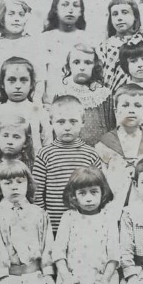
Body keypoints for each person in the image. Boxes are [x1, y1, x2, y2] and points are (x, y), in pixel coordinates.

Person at [32, 96, 102, 234]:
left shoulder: (90, 154)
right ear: (51, 123)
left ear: (83, 122)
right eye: (61, 122)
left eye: (73, 121)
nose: (67, 127)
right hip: (54, 225)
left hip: (84, 224)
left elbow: (99, 189)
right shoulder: (45, 154)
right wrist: (42, 219)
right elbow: (37, 191)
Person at [94, 84, 143, 214]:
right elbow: (99, 180)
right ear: (116, 110)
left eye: (137, 106)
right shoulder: (105, 144)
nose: (131, 110)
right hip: (111, 206)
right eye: (125, 105)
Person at [0, 0, 42, 114]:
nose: (16, 19)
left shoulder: (33, 46)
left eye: (21, 15)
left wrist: (34, 103)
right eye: (11, 14)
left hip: (28, 105)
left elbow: (39, 80)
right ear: (2, 18)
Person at [0, 57, 51, 152]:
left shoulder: (39, 112)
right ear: (2, 84)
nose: (18, 86)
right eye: (12, 80)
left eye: (23, 80)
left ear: (31, 84)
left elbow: (48, 146)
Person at [37, 0, 91, 103]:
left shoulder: (87, 39)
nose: (70, 10)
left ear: (81, 11)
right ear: (56, 9)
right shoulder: (45, 39)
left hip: (80, 101)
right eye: (65, 4)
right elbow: (40, 76)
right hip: (51, 101)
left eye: (75, 5)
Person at [55, 44, 114, 145]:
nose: (82, 68)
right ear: (69, 66)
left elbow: (112, 127)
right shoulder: (62, 94)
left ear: (94, 66)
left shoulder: (103, 95)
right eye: (76, 62)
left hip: (99, 150)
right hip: (69, 150)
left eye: (88, 63)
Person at [0, 116, 35, 212]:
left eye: (16, 137)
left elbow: (36, 196)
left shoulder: (32, 167)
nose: (9, 142)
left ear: (26, 142)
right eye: (5, 136)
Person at [97, 0, 143, 92]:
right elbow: (98, 73)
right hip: (107, 93)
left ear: (135, 16)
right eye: (115, 14)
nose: (119, 18)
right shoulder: (105, 46)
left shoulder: (141, 43)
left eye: (125, 12)